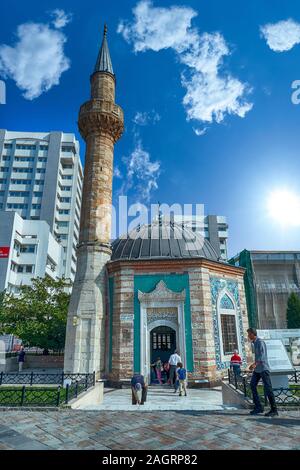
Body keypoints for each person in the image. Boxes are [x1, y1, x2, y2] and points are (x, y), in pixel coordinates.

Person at [247, 328, 278, 417]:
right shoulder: (254, 343)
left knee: (268, 388)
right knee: (252, 385)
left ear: (253, 334)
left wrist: (254, 364)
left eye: (249, 334)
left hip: (263, 369)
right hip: (257, 370)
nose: (248, 336)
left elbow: (262, 356)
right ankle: (258, 407)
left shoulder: (260, 342)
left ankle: (274, 409)